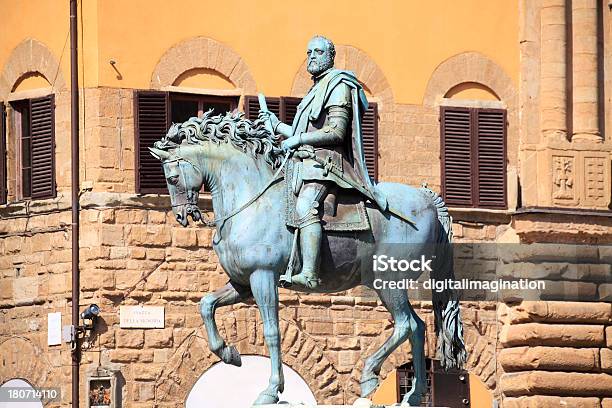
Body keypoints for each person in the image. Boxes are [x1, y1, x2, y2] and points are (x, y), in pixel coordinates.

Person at [259, 35, 387, 289]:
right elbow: (301, 132)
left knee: (306, 204)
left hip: (327, 166)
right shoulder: (316, 89)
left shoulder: (338, 84)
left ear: (330, 56)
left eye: (317, 52)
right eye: (308, 52)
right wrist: (277, 126)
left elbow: (336, 132)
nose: (311, 57)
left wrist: (297, 140)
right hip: (306, 164)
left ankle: (309, 273)